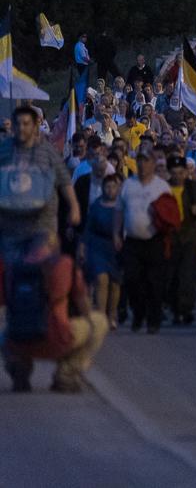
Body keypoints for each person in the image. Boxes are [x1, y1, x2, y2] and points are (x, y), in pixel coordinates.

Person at [2, 231, 109, 394]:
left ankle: (19, 373)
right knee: (99, 322)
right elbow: (83, 305)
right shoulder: (64, 264)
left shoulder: (12, 268)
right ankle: (65, 374)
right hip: (57, 337)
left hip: (18, 340)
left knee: (3, 335)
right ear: (54, 246)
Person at [0, 105, 77, 258]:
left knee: (39, 270)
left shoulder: (46, 151)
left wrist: (74, 207)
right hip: (12, 225)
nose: (21, 128)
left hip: (41, 227)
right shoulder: (5, 150)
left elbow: (64, 180)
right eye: (18, 123)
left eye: (26, 123)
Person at [119, 150, 173, 334]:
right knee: (132, 280)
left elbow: (170, 213)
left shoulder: (162, 187)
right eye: (140, 161)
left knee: (154, 283)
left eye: (146, 161)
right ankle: (138, 312)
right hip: (132, 241)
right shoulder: (128, 184)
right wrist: (116, 234)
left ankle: (153, 319)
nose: (142, 165)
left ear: (153, 164)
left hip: (154, 241)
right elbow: (119, 211)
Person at [165, 154, 196, 326]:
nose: (177, 176)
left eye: (180, 172)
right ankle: (175, 309)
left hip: (189, 235)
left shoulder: (193, 187)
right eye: (174, 172)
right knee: (172, 276)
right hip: (170, 236)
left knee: (187, 275)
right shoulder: (164, 188)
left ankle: (186, 308)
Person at [80, 172, 124, 327]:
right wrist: (83, 246)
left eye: (113, 187)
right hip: (98, 245)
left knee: (115, 283)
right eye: (107, 187)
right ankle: (100, 315)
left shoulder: (123, 205)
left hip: (116, 247)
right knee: (101, 279)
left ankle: (112, 314)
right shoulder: (97, 204)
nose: (110, 190)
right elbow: (88, 227)